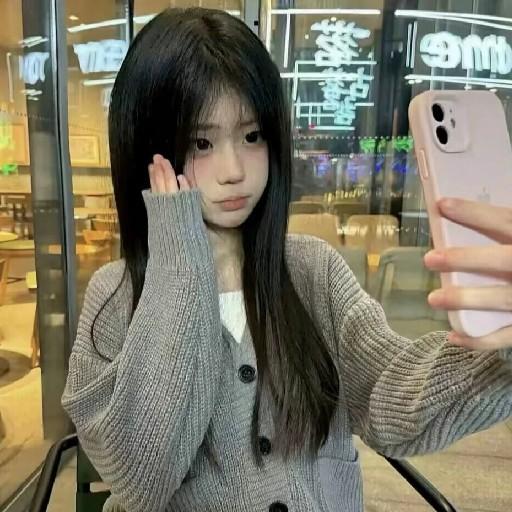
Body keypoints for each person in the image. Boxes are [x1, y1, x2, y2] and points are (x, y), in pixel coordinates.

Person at [61, 7, 512, 512]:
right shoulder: (115, 297)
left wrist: (500, 350)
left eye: (252, 136)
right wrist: (180, 265)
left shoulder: (313, 271)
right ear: (146, 147)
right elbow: (140, 478)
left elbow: (391, 399)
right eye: (200, 143)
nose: (233, 169)